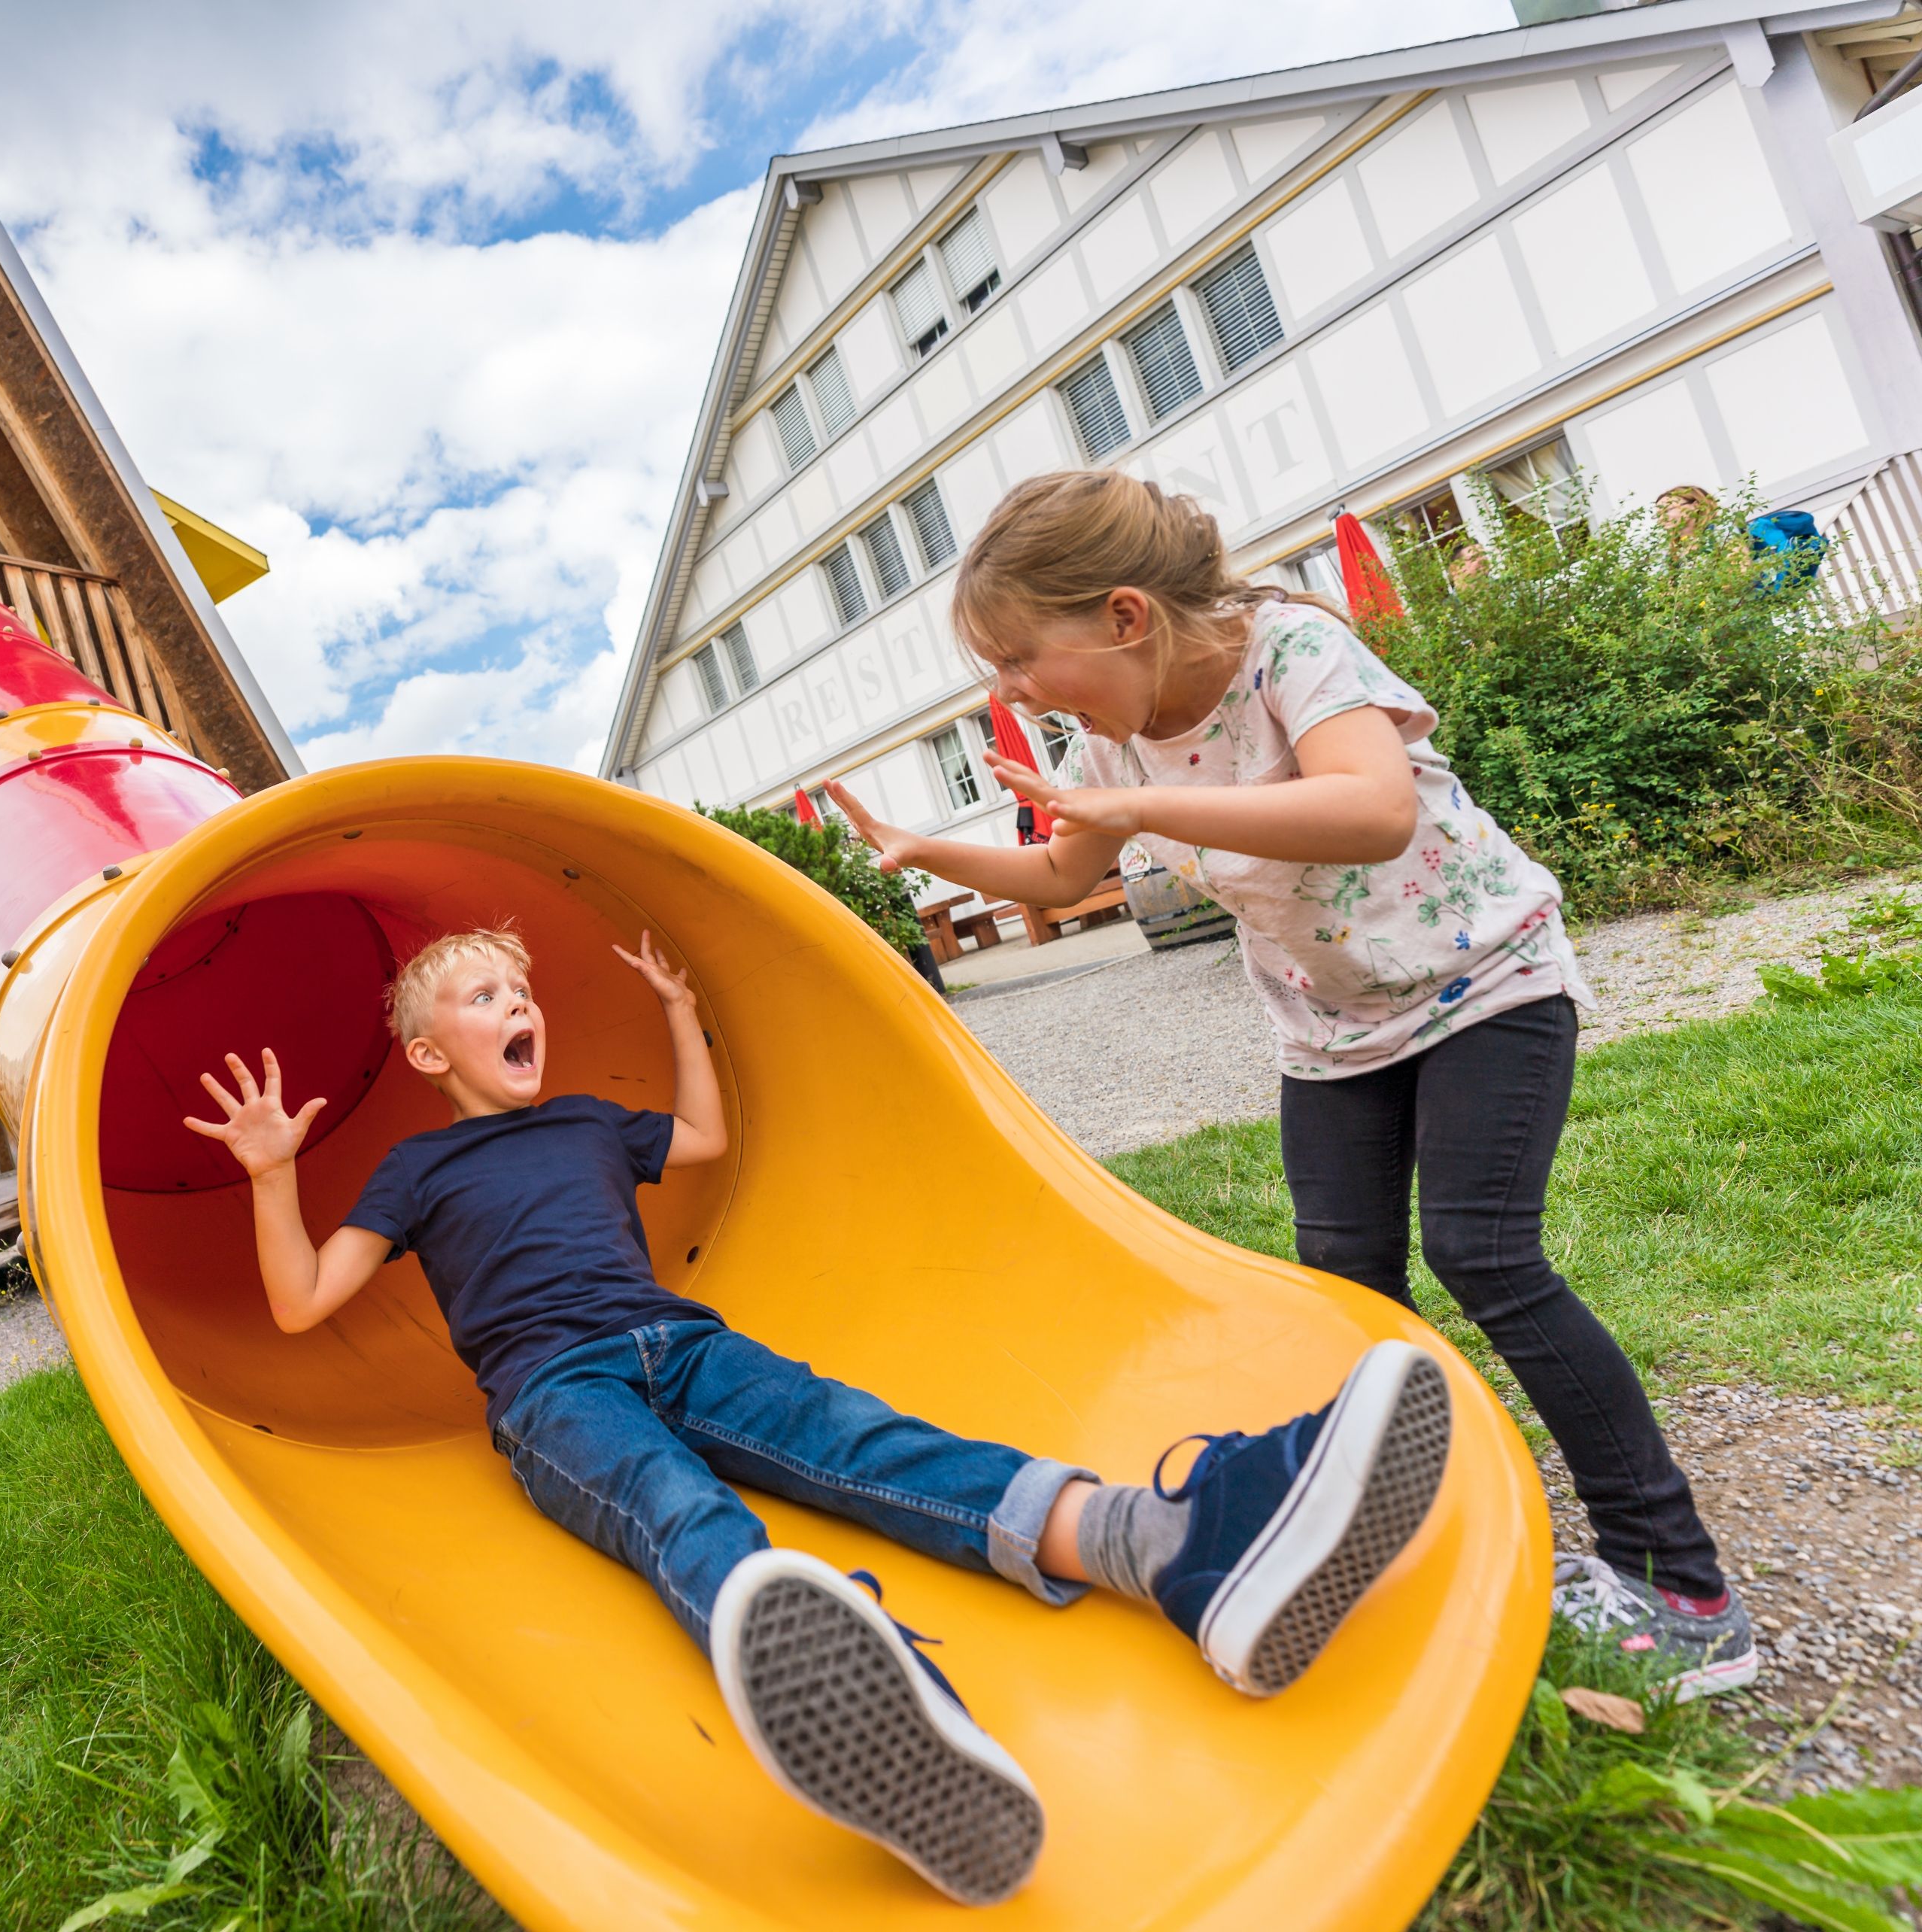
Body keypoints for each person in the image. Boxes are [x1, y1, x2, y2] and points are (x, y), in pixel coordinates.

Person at [185, 925, 1452, 1906]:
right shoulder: (415, 1169)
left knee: (863, 1439)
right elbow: (300, 1304)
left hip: (682, 1341)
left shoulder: (584, 1119)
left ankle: (1169, 1543)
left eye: (523, 995)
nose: (519, 1010)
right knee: (677, 1509)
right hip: (549, 1389)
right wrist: (272, 1174)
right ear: (421, 1054)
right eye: (482, 1000)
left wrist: (679, 1011)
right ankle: (895, 1714)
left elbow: (702, 1133)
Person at [828, 469, 1754, 1703]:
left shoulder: (1292, 653)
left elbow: (1370, 810)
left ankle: (1682, 1587)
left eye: (1016, 658)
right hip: (1329, 1029)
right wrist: (920, 847)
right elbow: (1059, 873)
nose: (1007, 693)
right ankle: (1374, 1529)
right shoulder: (1109, 738)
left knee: (1481, 1254)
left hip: (1479, 978)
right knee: (1342, 1292)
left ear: (1120, 616)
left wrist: (1141, 797)